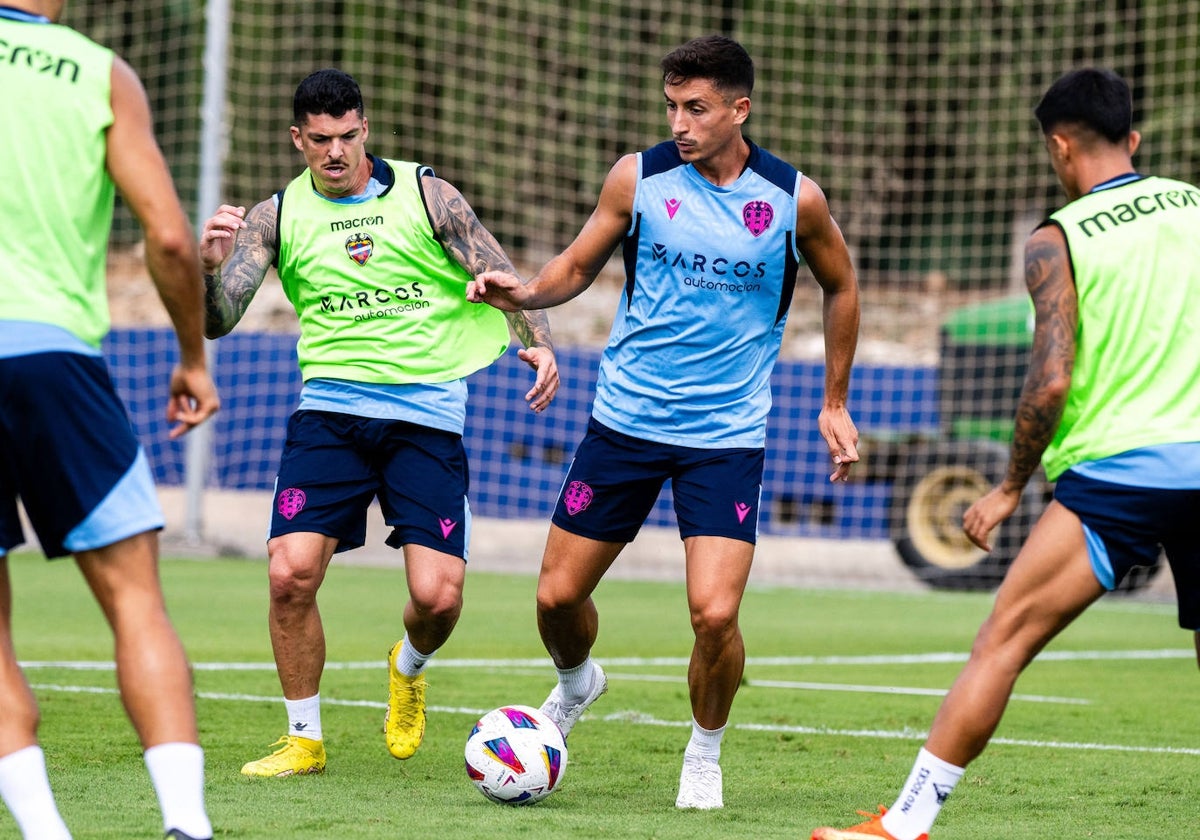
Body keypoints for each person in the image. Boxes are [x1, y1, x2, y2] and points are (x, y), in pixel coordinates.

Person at [468, 34, 861, 809]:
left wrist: (835, 401)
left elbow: (841, 286)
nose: (679, 123)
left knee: (715, 613)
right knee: (554, 600)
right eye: (672, 107)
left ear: (739, 110)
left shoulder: (793, 199)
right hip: (624, 423)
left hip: (726, 437)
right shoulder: (639, 178)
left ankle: (704, 753)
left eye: (697, 108)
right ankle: (578, 683)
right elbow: (577, 266)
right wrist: (524, 293)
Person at [811, 67, 1200, 840]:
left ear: (1059, 148)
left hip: (1115, 476)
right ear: (1135, 138)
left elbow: (1050, 381)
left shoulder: (1058, 239)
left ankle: (905, 824)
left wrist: (1011, 488)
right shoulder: (1196, 208)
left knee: (1002, 643)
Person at [200, 68, 558, 778]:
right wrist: (207, 269)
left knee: (437, 596)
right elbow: (217, 321)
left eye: (348, 136)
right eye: (320, 140)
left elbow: (499, 270)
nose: (335, 152)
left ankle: (409, 664)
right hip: (329, 414)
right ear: (298, 140)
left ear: (365, 129)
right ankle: (303, 738)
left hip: (425, 416)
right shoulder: (275, 217)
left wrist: (536, 339)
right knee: (289, 576)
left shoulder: (430, 196)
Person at [0, 3, 221, 839]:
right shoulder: (98, 72)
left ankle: (45, 831)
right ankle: (186, 826)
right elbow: (168, 236)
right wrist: (193, 359)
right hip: (55, 358)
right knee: (135, 602)